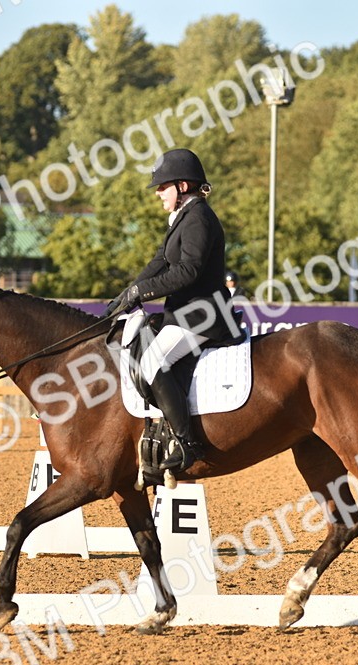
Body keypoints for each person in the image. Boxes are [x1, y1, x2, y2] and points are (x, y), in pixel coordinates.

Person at [105, 148, 233, 472]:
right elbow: (161, 262)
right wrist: (128, 292)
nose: (159, 193)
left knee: (152, 361)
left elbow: (187, 271)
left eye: (163, 187)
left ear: (183, 186)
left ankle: (188, 443)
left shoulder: (199, 218)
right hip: (185, 312)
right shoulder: (182, 217)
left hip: (203, 315)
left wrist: (140, 292)